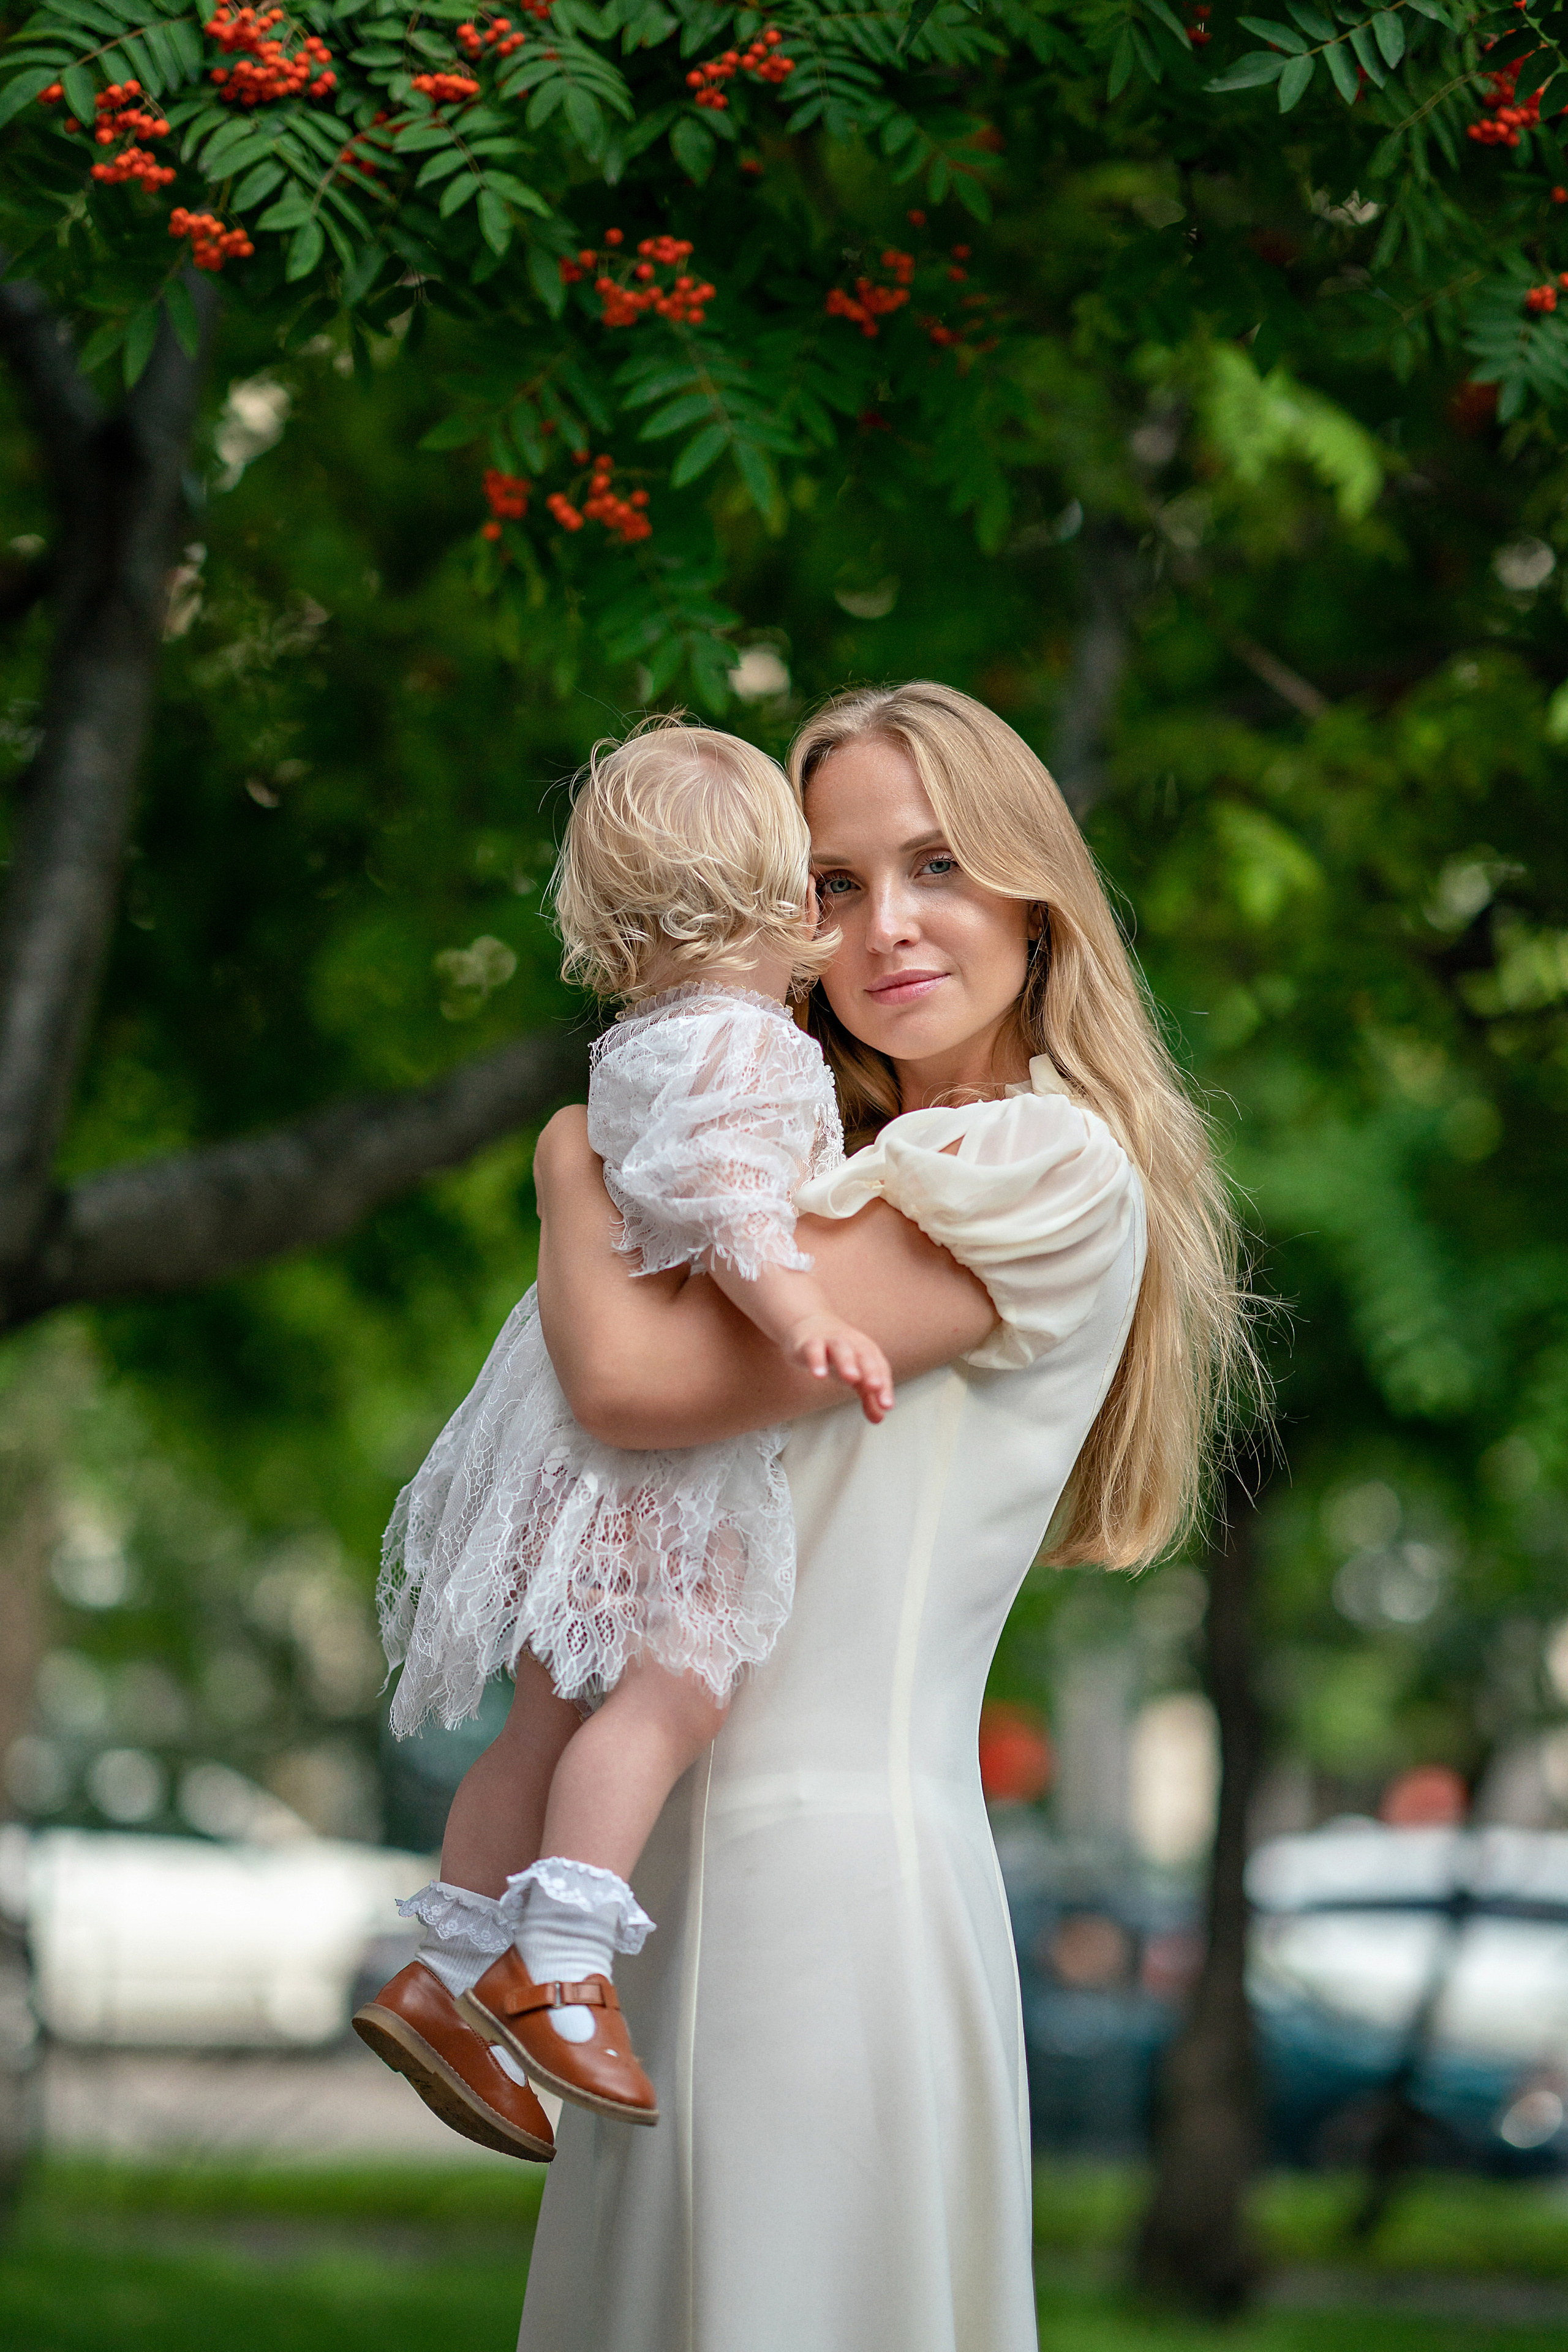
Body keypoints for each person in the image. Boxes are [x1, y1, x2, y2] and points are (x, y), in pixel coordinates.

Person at [514, 682, 1254, 2351]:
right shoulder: (797, 1168)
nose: (887, 926)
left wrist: (570, 1159)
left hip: (829, 1882)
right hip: (659, 1863)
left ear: (1033, 895)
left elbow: (627, 1379)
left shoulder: (1043, 1170)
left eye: (938, 865)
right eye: (834, 885)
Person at [354, 720, 892, 2151]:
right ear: (790, 911)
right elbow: (730, 1205)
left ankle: (445, 1970)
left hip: (547, 1454)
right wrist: (804, 1325)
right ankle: (566, 1963)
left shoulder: (634, 1049)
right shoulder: (753, 1054)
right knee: (673, 1689)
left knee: (545, 1714)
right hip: (644, 1466)